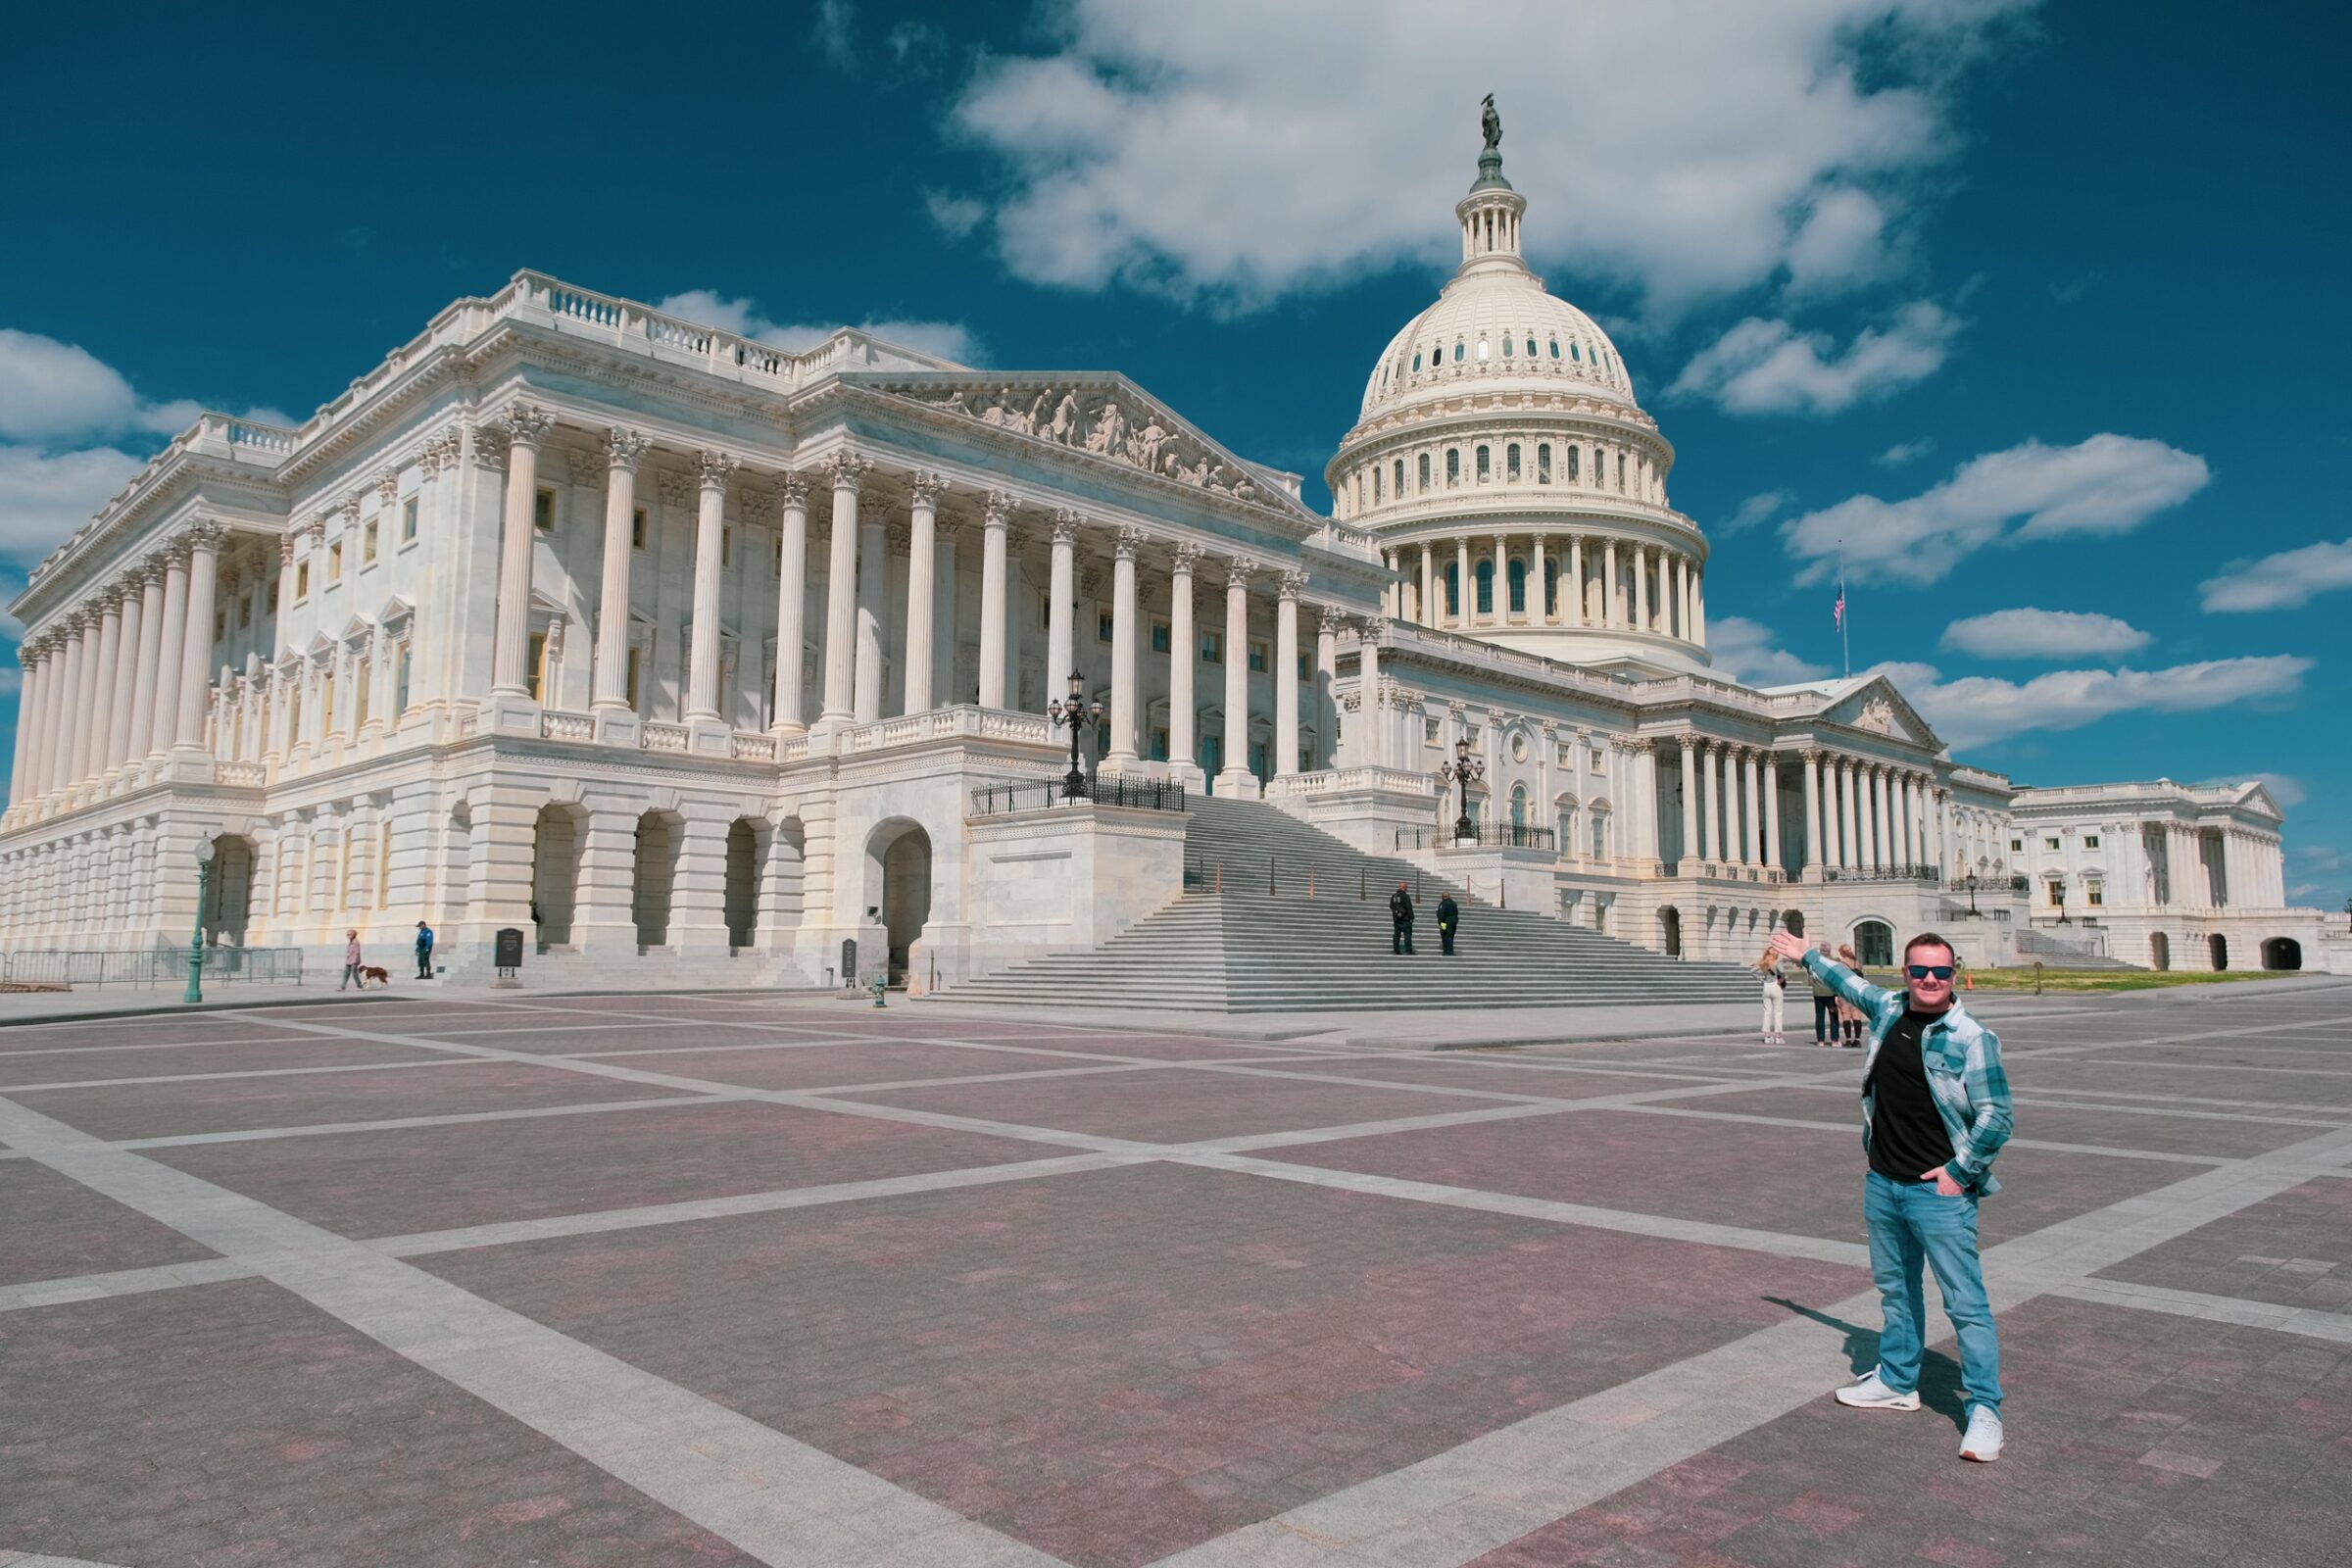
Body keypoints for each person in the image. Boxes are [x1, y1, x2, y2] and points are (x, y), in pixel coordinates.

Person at [1770, 927, 2014, 1464]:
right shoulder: (1888, 1008)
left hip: (1939, 1193)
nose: (1930, 980)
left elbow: (1999, 1115)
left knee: (1965, 1305)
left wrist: (1960, 1171)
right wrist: (1805, 953)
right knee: (1896, 1293)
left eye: (1941, 972)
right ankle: (1899, 1381)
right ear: (1905, 974)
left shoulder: (1971, 1036)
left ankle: (1984, 1411)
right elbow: (1848, 982)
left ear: (1954, 975)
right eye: (1920, 971)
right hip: (1884, 1183)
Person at [1808, 942, 1840, 1046]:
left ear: (1820, 950)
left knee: (1819, 1016)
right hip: (1831, 993)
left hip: (1818, 992)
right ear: (1830, 950)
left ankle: (1820, 1040)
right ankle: (1834, 1039)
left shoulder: (1814, 962)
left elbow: (1810, 976)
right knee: (1833, 1016)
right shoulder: (1834, 962)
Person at [1836, 944, 1867, 1045]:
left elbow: (1839, 980)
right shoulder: (1858, 963)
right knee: (1857, 1016)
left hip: (1844, 993)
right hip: (1857, 992)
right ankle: (1857, 1039)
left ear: (1842, 953)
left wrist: (1836, 995)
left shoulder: (1841, 965)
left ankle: (1848, 1039)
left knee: (1846, 1016)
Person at [1755, 946, 1788, 1045]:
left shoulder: (1763, 963)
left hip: (1766, 986)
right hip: (1775, 986)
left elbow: (1751, 971)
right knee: (1778, 1011)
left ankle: (1767, 1036)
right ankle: (1778, 1036)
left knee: (1767, 1012)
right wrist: (1781, 979)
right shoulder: (1777, 963)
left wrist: (1760, 979)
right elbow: (1782, 971)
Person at [1390, 882, 1415, 955]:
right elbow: (1409, 907)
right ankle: (1408, 950)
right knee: (1407, 935)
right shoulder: (1406, 896)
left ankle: (1396, 950)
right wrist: (1412, 917)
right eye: (1406, 888)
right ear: (1404, 888)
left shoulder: (1394, 896)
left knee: (1396, 935)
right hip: (1405, 919)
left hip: (1396, 919)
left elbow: (1391, 906)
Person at [1436, 892, 1460, 956]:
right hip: (1453, 922)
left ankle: (1446, 951)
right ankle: (1451, 951)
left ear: (1443, 897)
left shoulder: (1443, 904)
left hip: (1444, 922)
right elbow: (1456, 913)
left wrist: (1440, 923)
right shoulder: (1454, 903)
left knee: (1444, 936)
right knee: (1451, 936)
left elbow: (1441, 914)